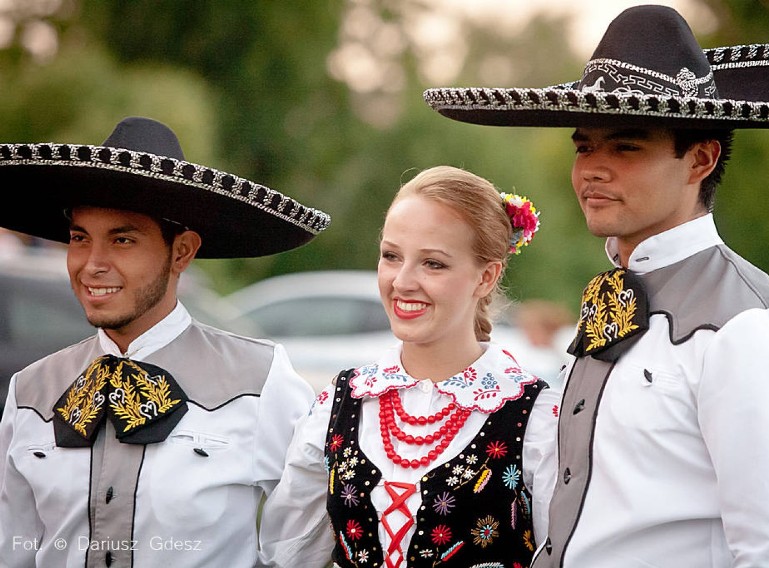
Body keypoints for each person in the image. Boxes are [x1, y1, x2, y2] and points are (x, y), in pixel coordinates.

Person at [423, 5, 769, 568]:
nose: (592, 169)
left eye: (626, 147)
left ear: (699, 158)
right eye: (584, 147)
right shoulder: (610, 298)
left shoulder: (749, 326)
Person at [0, 116, 331, 567]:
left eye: (122, 240)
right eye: (80, 238)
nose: (92, 264)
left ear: (182, 251)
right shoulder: (28, 392)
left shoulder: (261, 380)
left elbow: (301, 550)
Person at [259, 165, 559, 567]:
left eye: (433, 263)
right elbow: (288, 555)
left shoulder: (535, 415)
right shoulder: (341, 402)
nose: (402, 281)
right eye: (391, 256)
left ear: (486, 277)